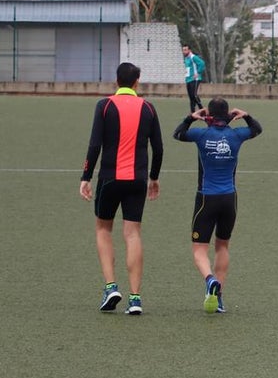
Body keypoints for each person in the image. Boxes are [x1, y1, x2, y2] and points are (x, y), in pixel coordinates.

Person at [79, 62, 163, 315]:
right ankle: (135, 298)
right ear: (137, 81)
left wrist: (86, 176)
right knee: (133, 233)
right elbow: (158, 149)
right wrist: (154, 177)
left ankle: (111, 286)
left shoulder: (104, 106)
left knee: (103, 229)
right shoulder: (148, 107)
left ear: (117, 81)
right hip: (137, 180)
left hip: (109, 178)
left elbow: (95, 145)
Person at [172, 97, 262, 314]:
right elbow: (257, 129)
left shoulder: (201, 134)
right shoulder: (236, 135)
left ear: (208, 116)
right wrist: (246, 115)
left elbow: (178, 133)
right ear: (230, 115)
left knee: (199, 250)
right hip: (229, 199)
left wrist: (191, 117)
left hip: (206, 199)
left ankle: (210, 280)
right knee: (222, 246)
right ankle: (218, 298)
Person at [182, 44, 205, 112]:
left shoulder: (193, 57)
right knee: (191, 97)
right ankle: (193, 113)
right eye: (183, 50)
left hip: (195, 79)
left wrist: (198, 72)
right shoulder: (186, 58)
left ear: (189, 50)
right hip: (188, 79)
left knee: (194, 95)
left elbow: (202, 63)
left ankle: (202, 110)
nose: (184, 51)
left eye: (185, 50)